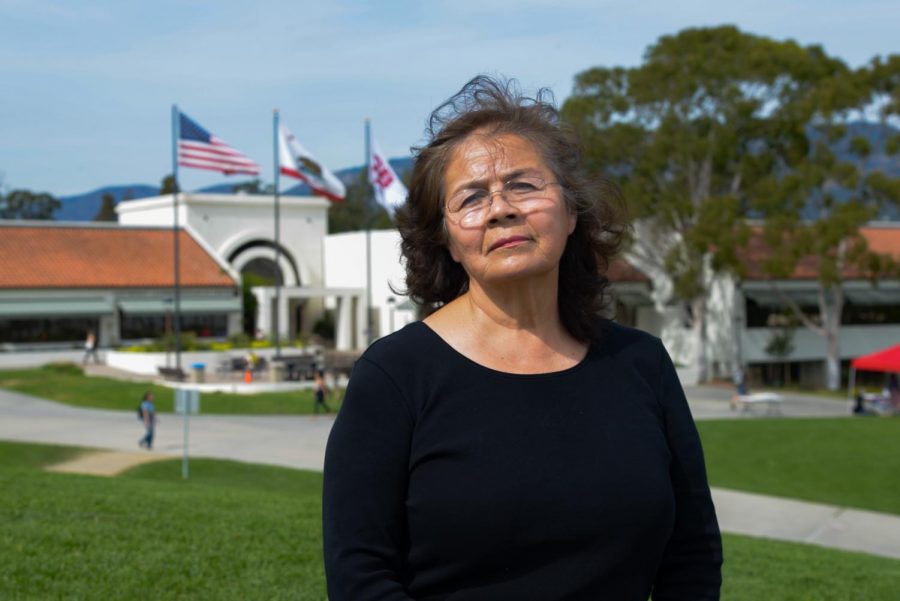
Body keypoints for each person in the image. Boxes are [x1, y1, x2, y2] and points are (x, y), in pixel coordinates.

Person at [323, 76, 722, 600]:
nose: (500, 208)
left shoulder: (640, 362)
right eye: (471, 197)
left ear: (572, 211)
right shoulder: (395, 376)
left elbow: (691, 554)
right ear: (445, 238)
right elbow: (361, 577)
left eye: (523, 185)